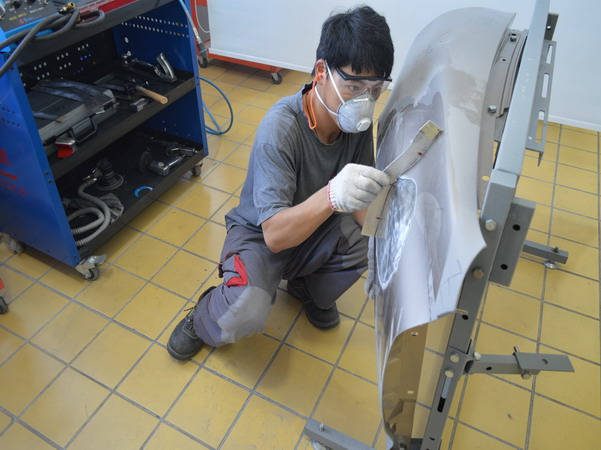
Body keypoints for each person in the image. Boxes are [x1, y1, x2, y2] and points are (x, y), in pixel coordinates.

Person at [167, 5, 394, 360]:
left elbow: (364, 209)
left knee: (369, 241)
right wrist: (333, 194)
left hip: (316, 226)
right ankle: (204, 315)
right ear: (322, 72)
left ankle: (307, 287)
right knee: (246, 311)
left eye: (375, 89)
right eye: (353, 86)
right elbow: (274, 235)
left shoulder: (355, 125)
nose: (365, 101)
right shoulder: (281, 128)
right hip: (262, 235)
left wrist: (386, 240)